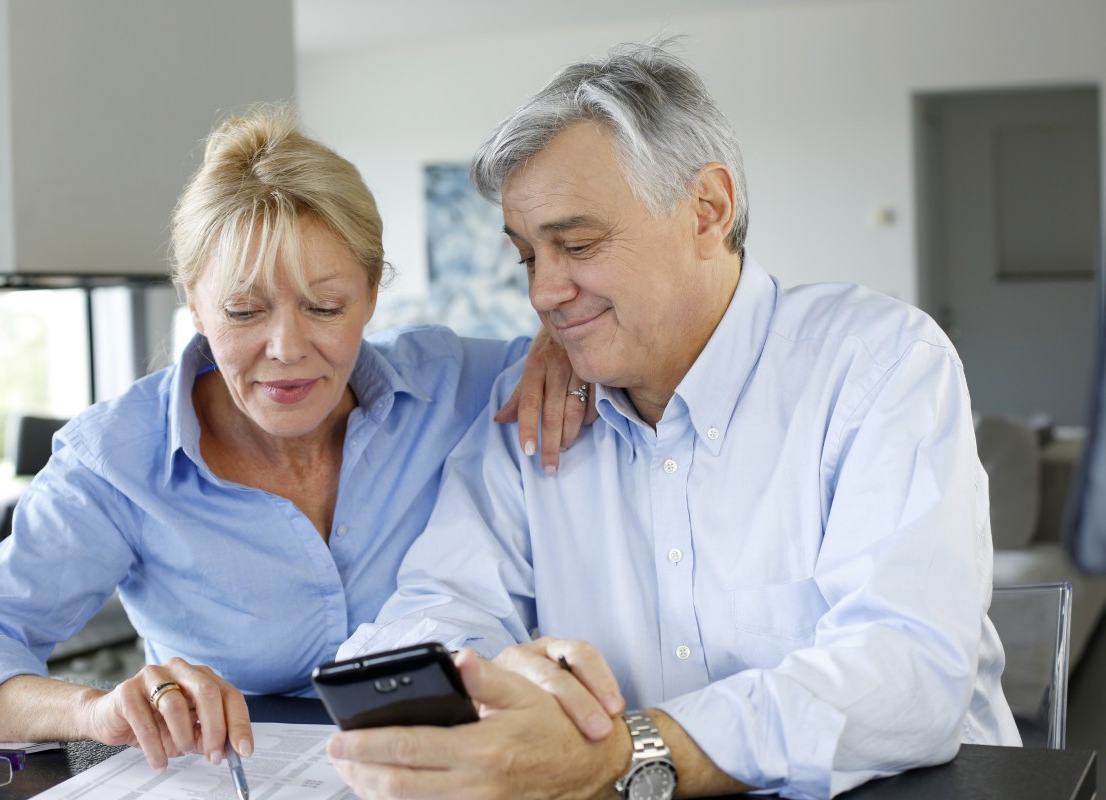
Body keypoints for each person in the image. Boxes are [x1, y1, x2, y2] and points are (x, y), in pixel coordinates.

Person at [328, 42, 1021, 800]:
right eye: (528, 257)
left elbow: (906, 675)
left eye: (578, 244)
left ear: (707, 210)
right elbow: (431, 612)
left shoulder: (879, 365)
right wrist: (484, 674)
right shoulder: (533, 413)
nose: (544, 293)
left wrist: (626, 753)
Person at [0, 105, 589, 770]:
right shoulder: (117, 459)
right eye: (243, 310)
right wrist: (93, 711)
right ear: (196, 305)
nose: (286, 348)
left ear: (371, 294)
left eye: (325, 306)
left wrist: (563, 345)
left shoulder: (458, 385)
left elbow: (609, 350)